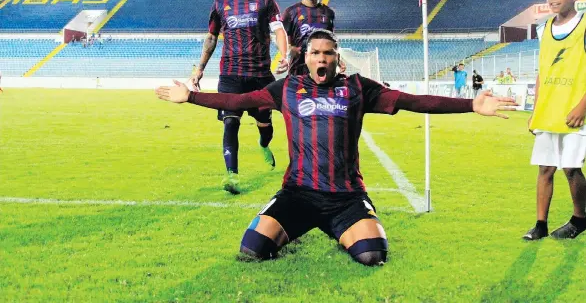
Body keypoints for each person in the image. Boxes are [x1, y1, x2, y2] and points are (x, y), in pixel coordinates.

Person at [156, 29, 518, 266]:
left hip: (345, 197)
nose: (322, 59)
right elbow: (240, 100)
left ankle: (340, 229)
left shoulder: (359, 88)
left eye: (329, 53)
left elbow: (411, 100)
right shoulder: (287, 88)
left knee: (373, 255)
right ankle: (294, 229)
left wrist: (470, 104)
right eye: (316, 53)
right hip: (297, 193)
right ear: (307, 57)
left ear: (337, 58)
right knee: (253, 249)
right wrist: (191, 97)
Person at [189, 0, 289, 195]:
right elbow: (212, 37)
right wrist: (199, 69)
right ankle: (231, 175)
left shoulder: (266, 1)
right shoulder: (220, 4)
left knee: (265, 126)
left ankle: (264, 145)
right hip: (230, 75)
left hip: (260, 76)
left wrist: (284, 55)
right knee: (230, 123)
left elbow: (278, 30)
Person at [524, 0, 586, 241]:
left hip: (575, 111)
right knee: (545, 168)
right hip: (549, 111)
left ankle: (580, 218)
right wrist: (536, 111)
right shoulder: (545, 28)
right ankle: (540, 224)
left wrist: (583, 106)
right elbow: (541, 72)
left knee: (571, 168)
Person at [282, 0, 338, 76]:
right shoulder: (291, 12)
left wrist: (338, 59)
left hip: (322, 70)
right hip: (298, 71)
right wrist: (289, 49)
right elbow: (279, 38)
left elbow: (332, 42)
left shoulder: (329, 13)